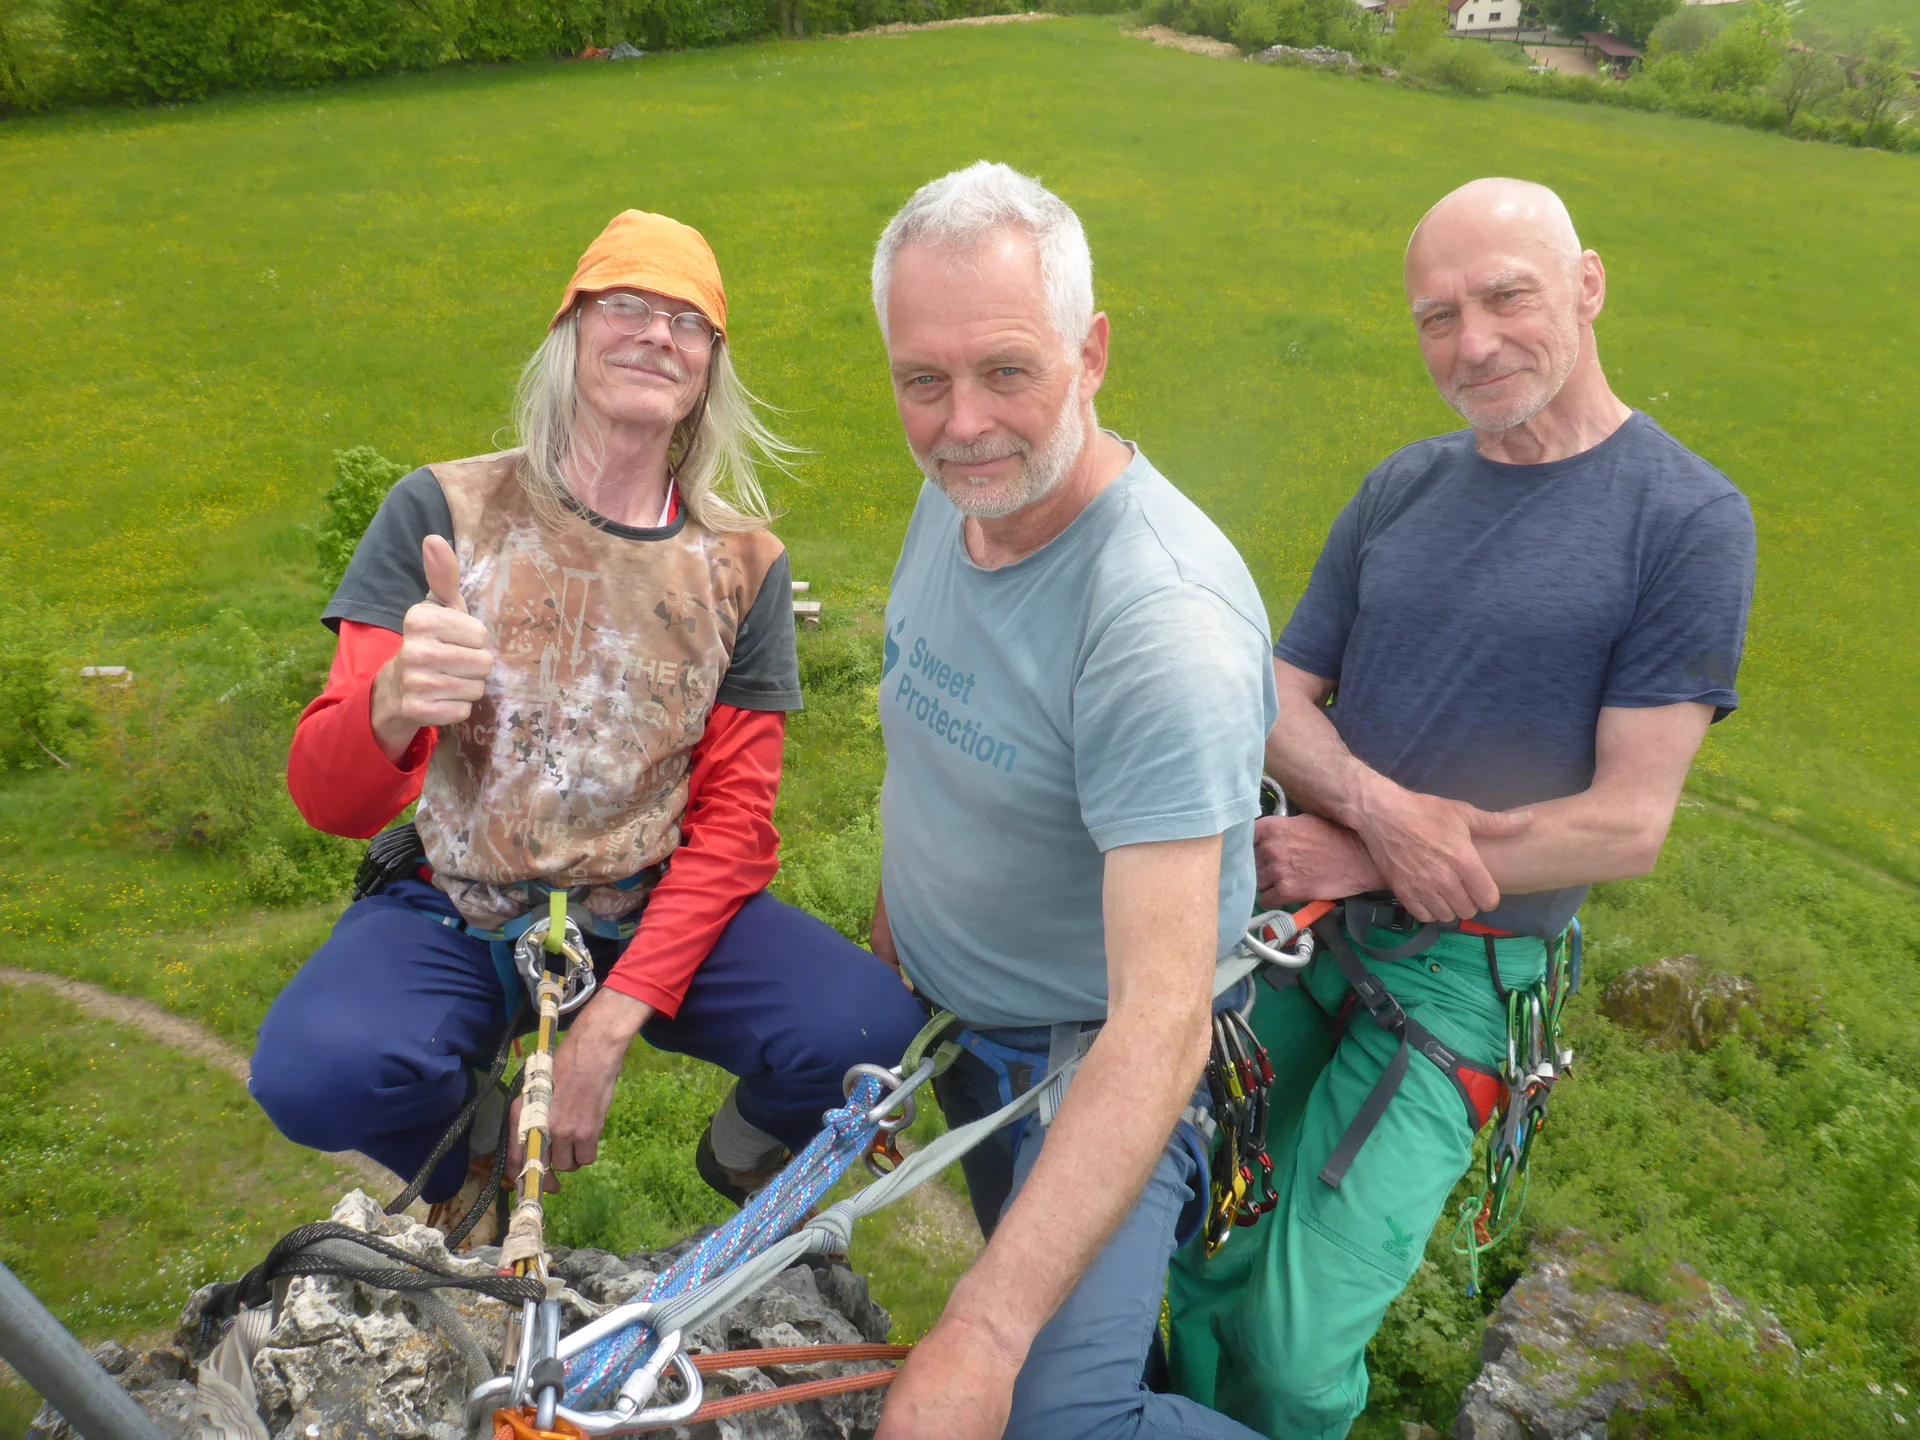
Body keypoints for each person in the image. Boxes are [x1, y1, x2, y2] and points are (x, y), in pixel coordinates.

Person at [1165, 178, 1758, 1437]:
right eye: (1437, 316)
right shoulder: (1404, 488)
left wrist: (1366, 850)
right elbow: (1270, 695)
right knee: (1202, 1250)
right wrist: (1381, 823)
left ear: (1588, 286)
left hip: (1464, 979)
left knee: (1291, 1338)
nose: (1471, 343)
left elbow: (1626, 824)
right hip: (1302, 927)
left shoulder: (1685, 520)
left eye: (1506, 298)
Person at [249, 209, 926, 1243]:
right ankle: (469, 1147)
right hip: (455, 899)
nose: (658, 333)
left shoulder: (741, 565)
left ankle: (745, 1152)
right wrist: (391, 706)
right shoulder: (442, 512)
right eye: (627, 305)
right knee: (314, 1068)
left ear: (707, 370)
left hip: (643, 904)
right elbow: (328, 800)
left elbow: (737, 823)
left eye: (688, 321)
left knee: (865, 1031)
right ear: (571, 331)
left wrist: (612, 1024)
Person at [863, 162, 1278, 1440]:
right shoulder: (966, 500)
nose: (961, 421)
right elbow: (933, 745)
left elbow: (1159, 1023)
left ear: (1090, 353)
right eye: (921, 381)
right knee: (1050, 1311)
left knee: (1058, 1415)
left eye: (1005, 371)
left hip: (1089, 1065)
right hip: (963, 1032)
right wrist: (900, 940)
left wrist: (981, 1332)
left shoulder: (1156, 626)